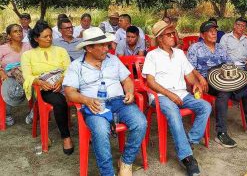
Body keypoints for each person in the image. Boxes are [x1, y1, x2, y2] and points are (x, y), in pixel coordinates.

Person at [63, 27, 147, 176]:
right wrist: (86, 100)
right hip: (94, 106)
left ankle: (126, 161)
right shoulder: (76, 66)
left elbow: (127, 79)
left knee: (141, 122)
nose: (106, 49)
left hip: (119, 102)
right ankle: (107, 173)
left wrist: (129, 91)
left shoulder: (113, 60)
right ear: (88, 48)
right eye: (102, 45)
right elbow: (70, 93)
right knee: (101, 131)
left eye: (107, 45)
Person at [142, 20, 211, 176]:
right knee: (173, 113)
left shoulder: (179, 53)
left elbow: (189, 76)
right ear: (160, 38)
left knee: (205, 106)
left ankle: (189, 141)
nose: (174, 36)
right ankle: (187, 157)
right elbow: (150, 82)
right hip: (161, 96)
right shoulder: (152, 55)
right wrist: (170, 94)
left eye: (174, 32)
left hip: (182, 93)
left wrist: (195, 84)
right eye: (169, 34)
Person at [187, 20, 247, 148]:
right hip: (205, 81)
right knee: (224, 92)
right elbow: (189, 67)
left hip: (223, 78)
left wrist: (234, 77)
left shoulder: (220, 48)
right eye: (210, 32)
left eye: (215, 31)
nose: (214, 34)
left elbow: (229, 64)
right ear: (202, 35)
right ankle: (221, 133)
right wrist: (200, 78)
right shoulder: (195, 48)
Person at [21, 20, 73, 154]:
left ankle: (90, 131)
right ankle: (66, 137)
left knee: (85, 94)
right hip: (44, 87)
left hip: (64, 83)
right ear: (36, 38)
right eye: (45, 36)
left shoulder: (61, 50)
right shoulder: (28, 55)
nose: (49, 39)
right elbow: (27, 75)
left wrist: (61, 80)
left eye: (50, 35)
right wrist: (39, 82)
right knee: (59, 100)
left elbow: (69, 69)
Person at [0, 24, 32, 126]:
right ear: (9, 35)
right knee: (9, 86)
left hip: (26, 75)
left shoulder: (28, 46)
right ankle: (7, 114)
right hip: (8, 76)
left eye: (20, 31)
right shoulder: (3, 48)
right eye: (15, 31)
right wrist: (2, 73)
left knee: (40, 89)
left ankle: (34, 112)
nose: (18, 33)